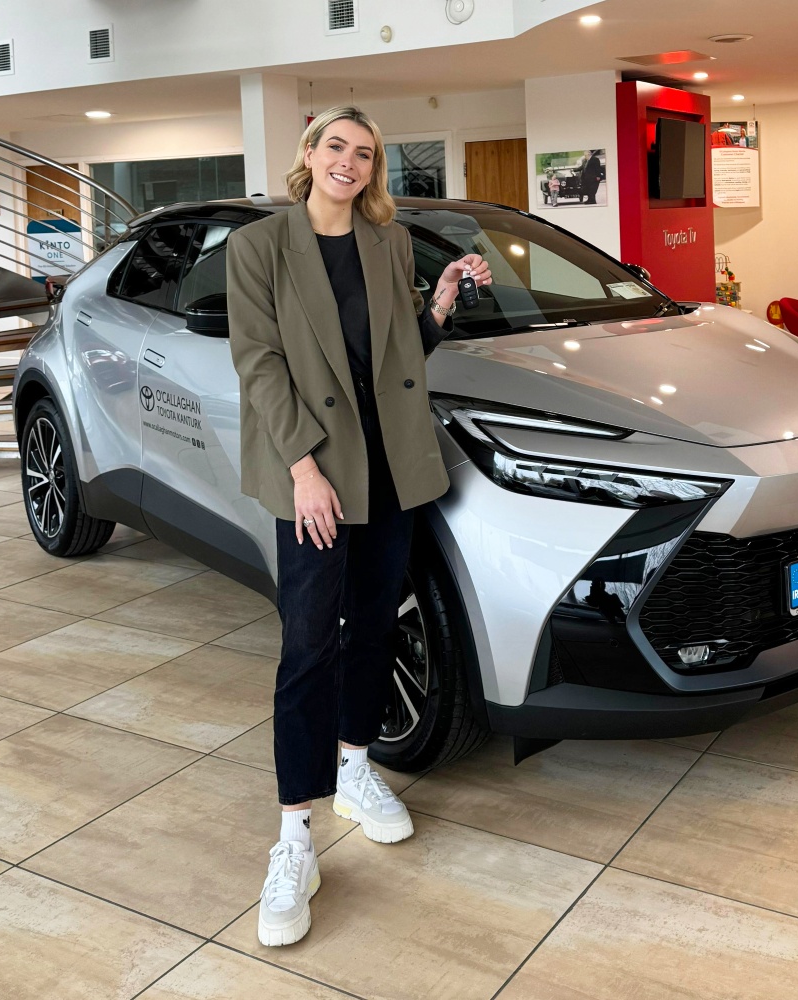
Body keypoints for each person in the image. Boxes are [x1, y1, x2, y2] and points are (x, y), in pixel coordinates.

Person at [226, 106, 491, 948]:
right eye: (336, 146)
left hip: (390, 469)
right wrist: (303, 468)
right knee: (309, 644)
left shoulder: (388, 243)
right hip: (315, 475)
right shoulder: (258, 248)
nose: (350, 161)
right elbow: (259, 364)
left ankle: (356, 772)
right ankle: (294, 837)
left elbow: (394, 358)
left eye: (365, 153)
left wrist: (440, 306)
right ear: (309, 155)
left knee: (376, 625)